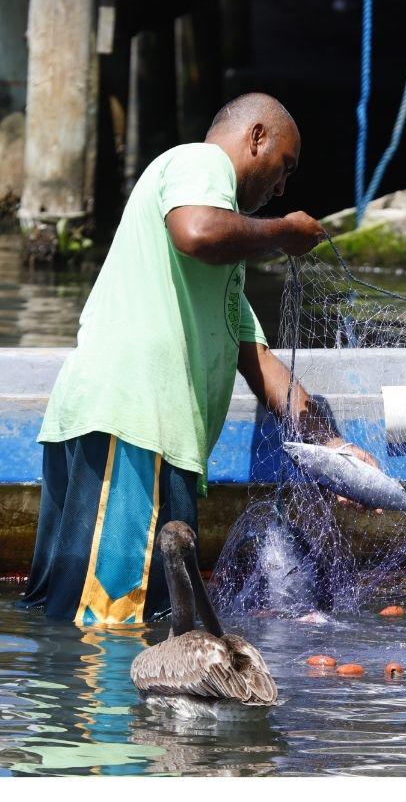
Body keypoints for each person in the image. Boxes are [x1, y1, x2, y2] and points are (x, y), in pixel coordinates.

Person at [20, 93, 376, 625]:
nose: (282, 186)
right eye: (285, 166)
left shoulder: (222, 267)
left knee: (68, 609)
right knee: (113, 623)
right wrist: (284, 232)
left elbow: (257, 359)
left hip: (109, 424)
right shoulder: (197, 162)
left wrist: (334, 450)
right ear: (256, 137)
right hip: (136, 429)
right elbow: (197, 232)